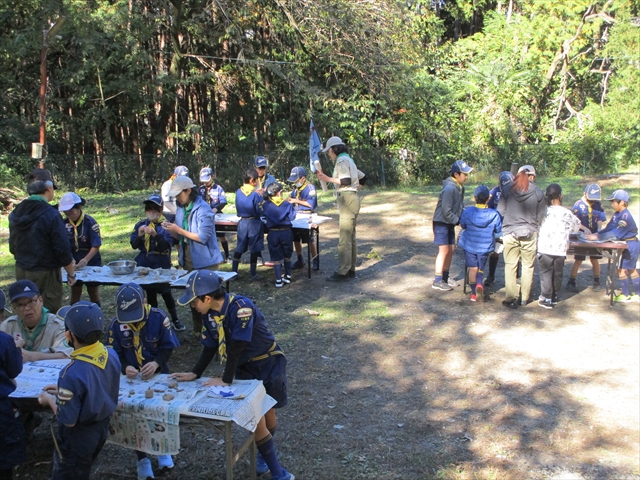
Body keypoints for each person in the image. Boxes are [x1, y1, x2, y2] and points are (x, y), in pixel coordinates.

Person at [171, 271, 294, 480]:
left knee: (269, 413)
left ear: (207, 298)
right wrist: (195, 372)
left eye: (194, 302)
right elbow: (209, 346)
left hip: (268, 362)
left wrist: (226, 379)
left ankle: (264, 456)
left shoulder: (241, 308)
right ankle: (277, 473)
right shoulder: (208, 315)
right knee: (257, 417)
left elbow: (237, 345)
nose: (193, 306)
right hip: (244, 368)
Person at [37, 301, 121, 480]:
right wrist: (63, 391)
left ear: (68, 335)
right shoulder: (111, 354)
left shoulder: (71, 374)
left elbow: (68, 421)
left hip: (77, 438)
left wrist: (49, 400)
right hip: (100, 429)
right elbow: (95, 386)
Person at [108, 283, 179, 479]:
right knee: (134, 417)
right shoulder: (116, 324)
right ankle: (142, 458)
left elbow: (168, 347)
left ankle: (162, 450)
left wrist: (156, 363)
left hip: (158, 376)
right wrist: (124, 367)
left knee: (159, 413)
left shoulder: (158, 317)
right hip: (132, 380)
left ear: (144, 302)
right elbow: (115, 354)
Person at [161, 176, 224, 335]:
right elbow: (180, 237)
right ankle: (198, 331)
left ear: (188, 190)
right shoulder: (182, 208)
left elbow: (202, 237)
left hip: (205, 260)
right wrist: (171, 231)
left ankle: (216, 331)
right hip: (188, 257)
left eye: (178, 193)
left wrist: (178, 230)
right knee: (193, 298)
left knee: (208, 297)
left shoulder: (204, 209)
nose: (176, 197)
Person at [9, 168, 76, 312]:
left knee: (25, 309)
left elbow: (12, 247)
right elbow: (62, 250)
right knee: (47, 312)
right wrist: (71, 274)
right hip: (46, 273)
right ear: (49, 188)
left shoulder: (16, 212)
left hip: (22, 270)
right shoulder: (51, 214)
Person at [130, 194, 185, 331]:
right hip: (145, 262)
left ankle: (175, 319)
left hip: (161, 262)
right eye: (148, 209)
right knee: (150, 293)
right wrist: (139, 235)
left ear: (161, 210)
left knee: (166, 293)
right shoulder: (141, 225)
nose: (151, 212)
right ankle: (153, 319)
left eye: (154, 209)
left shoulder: (166, 225)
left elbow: (166, 246)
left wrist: (155, 235)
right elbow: (134, 245)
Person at [498, 165, 546, 309]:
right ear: (532, 176)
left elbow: (500, 210)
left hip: (510, 232)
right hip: (530, 233)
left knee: (510, 266)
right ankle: (524, 298)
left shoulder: (507, 190)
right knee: (528, 266)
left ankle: (511, 297)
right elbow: (542, 215)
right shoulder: (538, 192)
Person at [316, 136, 361, 282]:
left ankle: (343, 272)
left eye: (329, 150)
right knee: (350, 237)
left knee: (344, 238)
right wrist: (355, 190)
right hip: (352, 197)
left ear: (335, 148)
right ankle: (350, 269)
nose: (329, 154)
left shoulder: (342, 161)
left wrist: (326, 178)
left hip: (347, 198)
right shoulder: (349, 160)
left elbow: (346, 180)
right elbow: (363, 177)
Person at [586, 189, 639, 302]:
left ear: (622, 202)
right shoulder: (617, 215)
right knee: (627, 269)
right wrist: (597, 233)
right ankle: (636, 294)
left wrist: (597, 238)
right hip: (626, 244)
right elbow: (609, 228)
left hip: (631, 245)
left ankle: (627, 295)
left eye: (614, 201)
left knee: (625, 270)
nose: (612, 204)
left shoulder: (625, 217)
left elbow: (616, 234)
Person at [0, 280, 72, 362]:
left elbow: (65, 356)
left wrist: (31, 356)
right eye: (20, 305)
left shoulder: (58, 325)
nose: (27, 308)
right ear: (14, 308)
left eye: (31, 302)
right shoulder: (8, 326)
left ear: (41, 300)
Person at [536, 184, 582, 309]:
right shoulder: (567, 213)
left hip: (545, 247)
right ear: (561, 196)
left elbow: (536, 225)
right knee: (557, 273)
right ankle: (554, 296)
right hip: (560, 248)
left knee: (546, 273)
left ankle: (545, 297)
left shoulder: (543, 212)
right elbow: (577, 225)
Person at [430, 160, 473, 291]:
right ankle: (437, 280)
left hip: (450, 222)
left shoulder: (460, 187)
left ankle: (445, 277)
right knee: (444, 250)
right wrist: (458, 221)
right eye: (464, 174)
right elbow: (446, 210)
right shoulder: (449, 188)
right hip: (441, 222)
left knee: (451, 249)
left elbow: (459, 206)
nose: (466, 177)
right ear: (456, 174)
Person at [459, 185, 502, 302]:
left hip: (470, 245)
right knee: (480, 268)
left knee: (473, 268)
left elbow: (462, 225)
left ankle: (474, 293)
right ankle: (479, 283)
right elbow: (498, 230)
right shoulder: (494, 214)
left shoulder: (467, 211)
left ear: (474, 198)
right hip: (485, 246)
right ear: (488, 199)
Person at [59, 192, 102, 306]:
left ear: (79, 208)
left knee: (93, 291)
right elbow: (62, 245)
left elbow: (96, 245)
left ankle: (97, 314)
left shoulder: (90, 222)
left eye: (72, 211)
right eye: (66, 213)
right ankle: (73, 313)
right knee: (75, 290)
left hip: (91, 260)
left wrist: (86, 260)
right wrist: (69, 259)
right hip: (73, 261)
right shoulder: (63, 224)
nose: (69, 215)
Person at [567, 184, 607, 292]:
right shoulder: (578, 205)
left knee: (595, 259)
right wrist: (584, 228)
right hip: (582, 237)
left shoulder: (598, 204)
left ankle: (597, 281)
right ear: (585, 194)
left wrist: (599, 229)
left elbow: (600, 218)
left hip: (594, 237)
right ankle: (572, 281)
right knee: (578, 259)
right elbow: (574, 221)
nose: (592, 201)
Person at [0, 330, 27, 480]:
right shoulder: (4, 340)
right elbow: (14, 369)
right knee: (4, 460)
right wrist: (16, 348)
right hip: (2, 411)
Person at [231, 169, 265, 280]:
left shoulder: (238, 192)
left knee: (239, 247)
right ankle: (253, 273)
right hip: (254, 223)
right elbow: (259, 209)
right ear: (252, 181)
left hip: (242, 223)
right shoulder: (255, 194)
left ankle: (234, 272)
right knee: (254, 248)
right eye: (257, 180)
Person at [262, 183, 297, 287]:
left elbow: (263, 217)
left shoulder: (266, 205)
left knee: (276, 257)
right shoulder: (287, 204)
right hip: (286, 232)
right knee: (287, 255)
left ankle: (278, 280)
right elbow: (292, 217)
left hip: (273, 233)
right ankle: (288, 276)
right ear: (279, 192)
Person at [287, 166, 319, 271]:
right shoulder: (296, 189)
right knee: (296, 239)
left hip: (306, 216)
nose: (295, 183)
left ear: (303, 178)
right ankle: (300, 259)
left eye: (296, 180)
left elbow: (311, 205)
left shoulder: (310, 188)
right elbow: (291, 199)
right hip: (296, 217)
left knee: (309, 240)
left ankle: (315, 259)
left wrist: (295, 201)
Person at [485, 171, 514, 286]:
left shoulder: (516, 192)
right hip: (499, 226)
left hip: (512, 226)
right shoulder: (495, 191)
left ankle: (515, 277)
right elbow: (489, 207)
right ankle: (491, 276)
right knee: (495, 252)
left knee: (513, 254)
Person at [198, 167, 230, 262]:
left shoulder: (218, 188)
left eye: (207, 180)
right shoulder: (200, 189)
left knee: (221, 236)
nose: (205, 182)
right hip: (204, 216)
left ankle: (227, 256)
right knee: (206, 236)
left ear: (212, 176)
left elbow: (223, 201)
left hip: (217, 215)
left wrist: (216, 209)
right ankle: (209, 256)